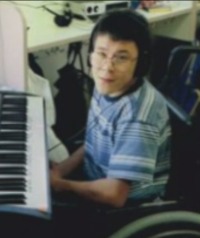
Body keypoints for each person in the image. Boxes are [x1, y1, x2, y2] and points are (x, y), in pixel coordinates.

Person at [50, 9, 171, 210]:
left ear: (140, 64)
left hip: (123, 208)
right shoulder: (108, 83)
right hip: (95, 181)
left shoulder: (136, 117)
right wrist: (60, 170)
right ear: (91, 54)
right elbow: (93, 142)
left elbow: (115, 195)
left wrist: (61, 185)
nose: (107, 67)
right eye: (102, 54)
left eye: (121, 58)